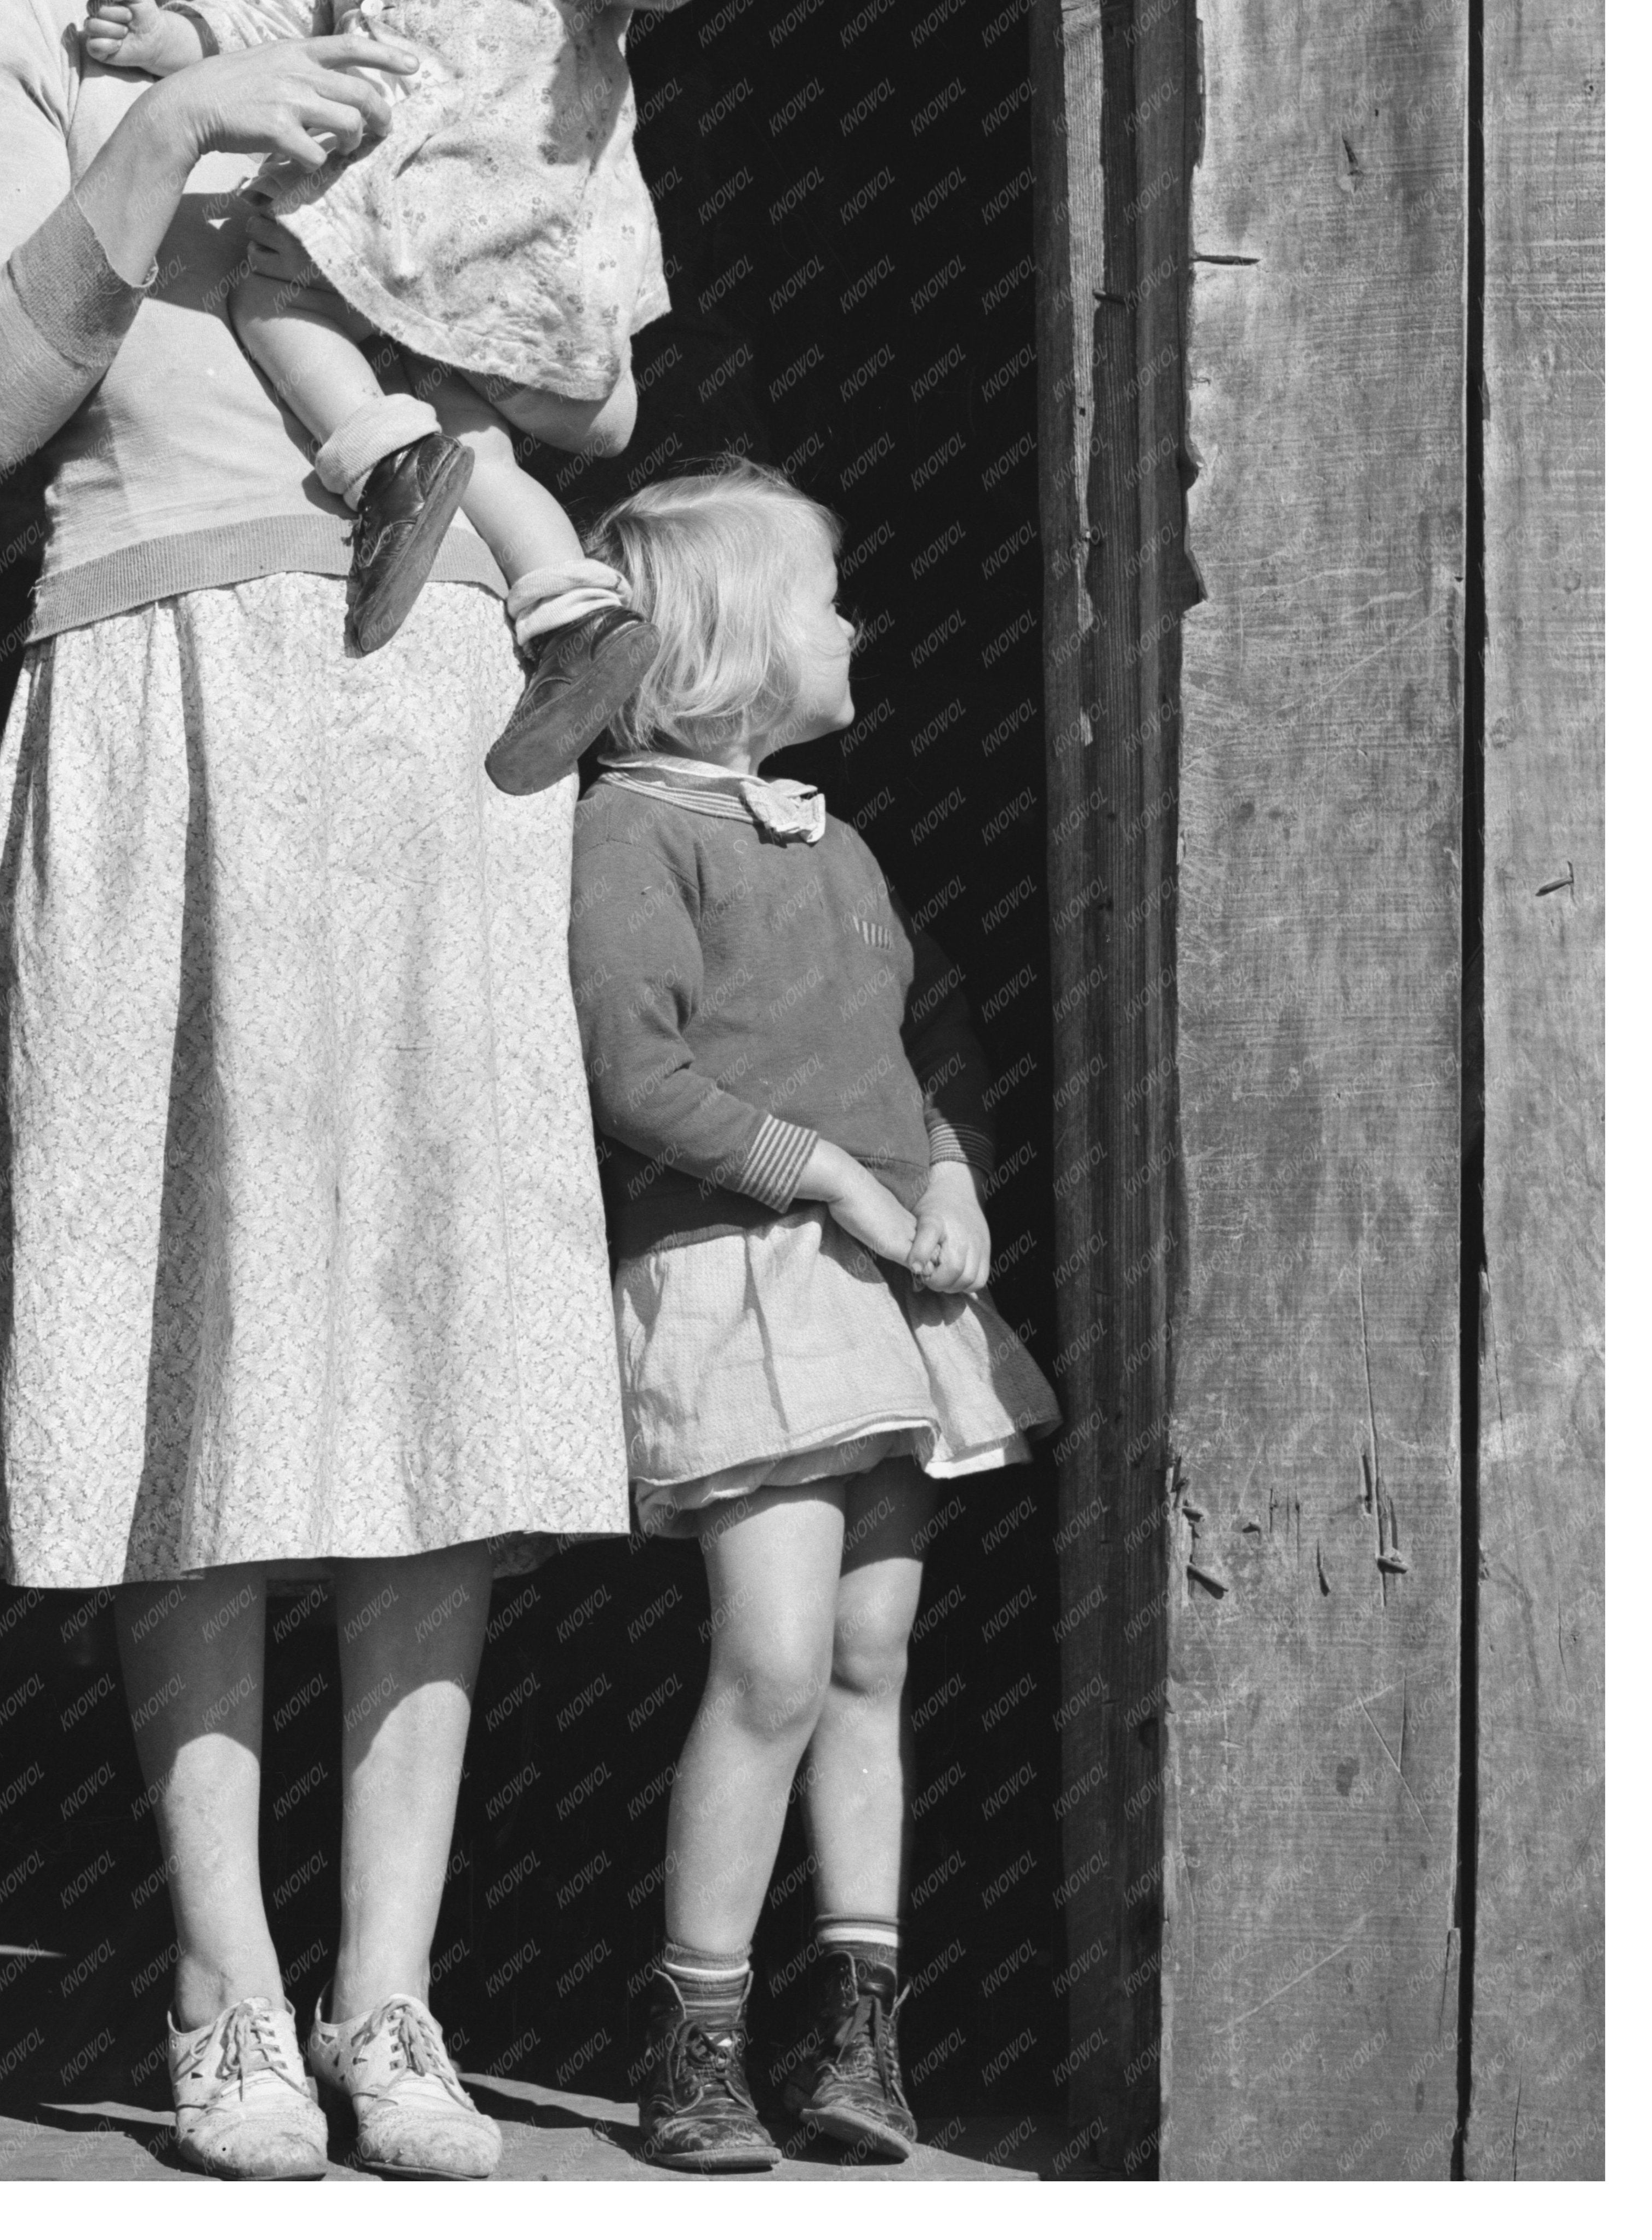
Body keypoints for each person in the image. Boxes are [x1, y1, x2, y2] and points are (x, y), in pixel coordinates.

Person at [0, 0, 630, 2184]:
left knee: (430, 1339)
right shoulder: (23, 26)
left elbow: (574, 326)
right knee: (196, 1330)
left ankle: (392, 2001)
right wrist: (158, 133)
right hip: (159, 679)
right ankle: (219, 1985)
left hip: (431, 686)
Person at [565, 459, 1061, 2171]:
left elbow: (939, 1036)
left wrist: (951, 1168)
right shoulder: (634, 830)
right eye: (828, 599)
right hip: (741, 1280)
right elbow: (637, 1070)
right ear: (736, 646)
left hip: (876, 1290)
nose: (857, 626)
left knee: (868, 1661)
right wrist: (838, 1179)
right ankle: (693, 2034)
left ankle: (856, 2033)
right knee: (770, 1661)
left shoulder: (835, 840)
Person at [83, 0, 746, 793]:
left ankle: (381, 466)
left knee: (269, 293)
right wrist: (166, 34)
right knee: (472, 434)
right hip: (421, 245)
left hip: (477, 234)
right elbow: (256, 27)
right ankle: (571, 609)